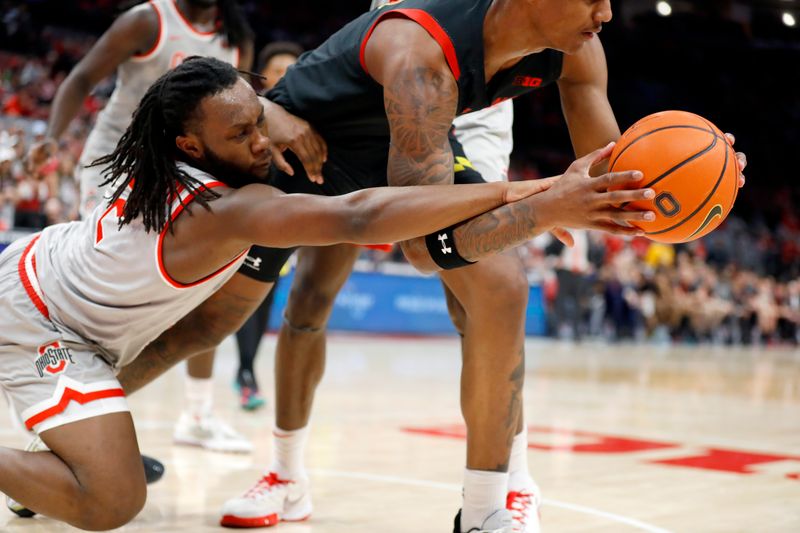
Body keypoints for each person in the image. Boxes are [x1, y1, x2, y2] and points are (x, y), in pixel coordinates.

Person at [111, 2, 747, 532]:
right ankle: (267, 470)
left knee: (499, 285)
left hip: (405, 148)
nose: (607, 12)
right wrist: (551, 205)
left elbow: (612, 175)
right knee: (221, 323)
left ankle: (484, 510)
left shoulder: (578, 47)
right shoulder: (421, 55)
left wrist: (692, 185)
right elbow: (418, 249)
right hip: (304, 152)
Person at [0, 56, 651, 531]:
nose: (263, 141)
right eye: (243, 135)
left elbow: (228, 92)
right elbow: (359, 216)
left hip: (45, 283)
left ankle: (47, 462)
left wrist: (275, 111)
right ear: (192, 145)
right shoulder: (228, 209)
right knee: (114, 498)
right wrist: (530, 192)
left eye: (261, 121)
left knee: (192, 336)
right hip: (36, 321)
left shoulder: (172, 155)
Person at [29, 0, 256, 453]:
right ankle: (67, 412)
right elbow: (82, 77)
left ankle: (197, 414)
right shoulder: (148, 20)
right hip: (115, 166)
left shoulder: (237, 37)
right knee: (111, 291)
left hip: (184, 175)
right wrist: (52, 137)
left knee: (202, 289)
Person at [234, 40, 304, 411]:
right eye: (278, 70)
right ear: (262, 79)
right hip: (244, 223)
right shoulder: (243, 116)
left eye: (292, 70)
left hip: (282, 227)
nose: (285, 76)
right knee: (238, 305)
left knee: (262, 304)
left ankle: (246, 370)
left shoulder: (307, 121)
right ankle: (245, 375)